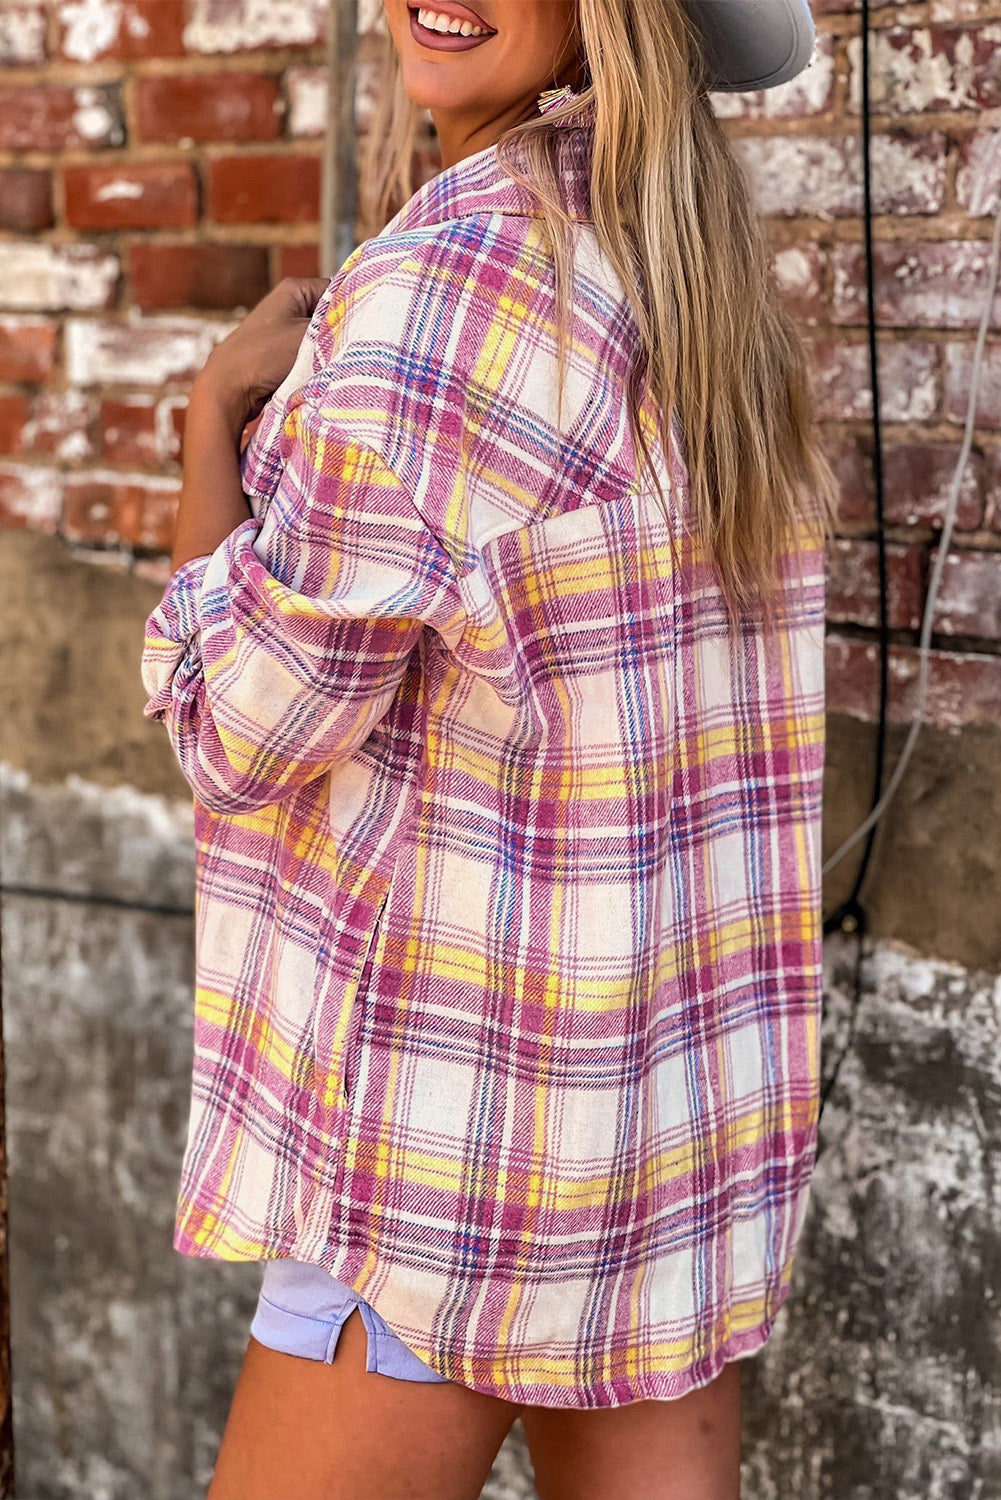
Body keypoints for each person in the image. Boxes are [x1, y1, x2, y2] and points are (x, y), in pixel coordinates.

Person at [140, 0, 837, 1495]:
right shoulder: (696, 289)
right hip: (663, 1155)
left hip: (439, 1174)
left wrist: (210, 429)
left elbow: (237, 734)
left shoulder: (442, 288)